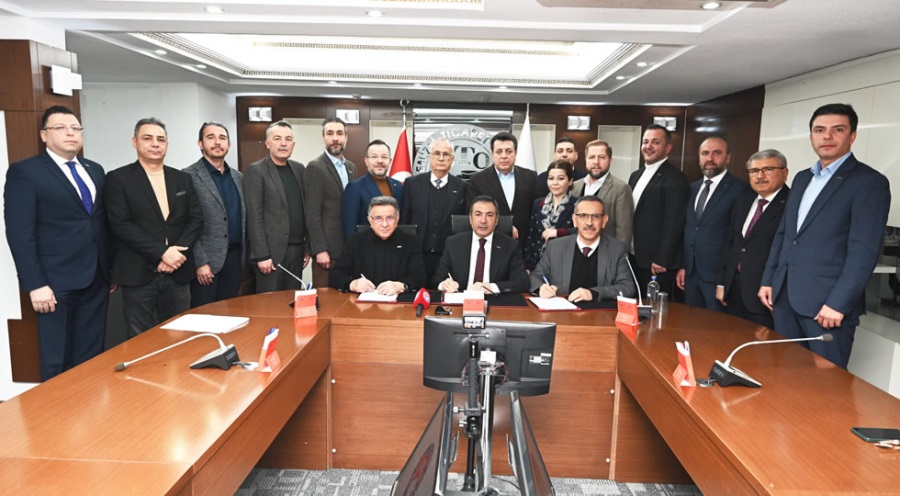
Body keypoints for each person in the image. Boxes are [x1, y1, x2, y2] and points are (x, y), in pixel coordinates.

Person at [760, 104, 891, 368]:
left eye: (837, 129)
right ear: (811, 137)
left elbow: (864, 251)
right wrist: (769, 280)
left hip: (826, 308)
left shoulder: (869, 182)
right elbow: (785, 235)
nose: (827, 136)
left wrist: (838, 303)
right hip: (784, 299)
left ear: (852, 135)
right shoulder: (801, 179)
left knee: (826, 384)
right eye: (819, 130)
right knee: (786, 374)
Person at [4, 105, 113, 380]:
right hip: (54, 284)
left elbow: (101, 223)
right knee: (57, 359)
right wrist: (35, 284)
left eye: (76, 128)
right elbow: (20, 233)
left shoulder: (95, 170)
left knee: (91, 356)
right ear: (44, 135)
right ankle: (56, 409)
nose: (70, 133)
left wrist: (110, 269)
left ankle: (88, 405)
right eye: (61, 128)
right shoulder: (26, 172)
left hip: (96, 277)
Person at [105, 117, 203, 337]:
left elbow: (196, 220)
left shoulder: (182, 179)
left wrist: (175, 254)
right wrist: (162, 253)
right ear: (135, 142)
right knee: (141, 337)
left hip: (178, 271)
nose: (155, 144)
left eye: (160, 139)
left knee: (180, 334)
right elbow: (120, 225)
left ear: (167, 144)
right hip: (139, 273)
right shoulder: (118, 178)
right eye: (147, 138)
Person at [716, 149, 790, 329]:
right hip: (734, 290)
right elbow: (730, 243)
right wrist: (722, 282)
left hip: (765, 294)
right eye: (754, 171)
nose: (760, 176)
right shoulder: (743, 198)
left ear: (785, 173)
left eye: (768, 169)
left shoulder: (792, 204)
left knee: (762, 344)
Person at [676, 136, 750, 311]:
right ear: (699, 158)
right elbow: (689, 229)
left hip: (718, 277)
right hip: (691, 275)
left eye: (717, 153)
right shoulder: (692, 188)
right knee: (691, 321)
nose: (710, 158)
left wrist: (725, 279)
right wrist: (683, 266)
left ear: (728, 158)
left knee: (717, 325)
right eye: (705, 153)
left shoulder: (740, 190)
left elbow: (737, 239)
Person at [183, 122, 245, 307]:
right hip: (206, 264)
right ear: (200, 144)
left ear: (229, 144)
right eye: (211, 137)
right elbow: (186, 224)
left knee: (231, 313)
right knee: (204, 316)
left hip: (235, 260)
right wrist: (200, 262)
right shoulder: (187, 176)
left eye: (222, 138)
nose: (217, 142)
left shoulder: (238, 177)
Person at [243, 120, 310, 293]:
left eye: (288, 139)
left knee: (292, 300)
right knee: (270, 303)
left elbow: (303, 209)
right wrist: (262, 255)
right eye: (277, 138)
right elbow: (254, 216)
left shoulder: (299, 169)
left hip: (297, 251)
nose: (283, 143)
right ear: (267, 143)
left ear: (293, 144)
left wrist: (307, 248)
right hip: (271, 254)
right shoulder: (256, 171)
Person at [529, 196, 635, 302]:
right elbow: (535, 276)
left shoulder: (617, 249)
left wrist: (593, 293)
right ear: (574, 220)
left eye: (596, 216)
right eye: (583, 216)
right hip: (562, 310)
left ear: (604, 221)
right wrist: (541, 288)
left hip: (599, 311)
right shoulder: (555, 247)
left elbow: (627, 287)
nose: (589, 223)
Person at [628, 124, 689, 295]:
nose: (648, 146)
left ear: (668, 148)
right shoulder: (635, 175)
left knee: (653, 307)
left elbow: (674, 222)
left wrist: (662, 259)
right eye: (645, 141)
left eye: (655, 142)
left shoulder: (675, 178)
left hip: (655, 264)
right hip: (633, 258)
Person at [400, 139, 467, 283]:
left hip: (448, 257)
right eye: (437, 153)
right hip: (417, 254)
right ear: (430, 157)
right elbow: (405, 220)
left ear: (452, 159)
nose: (441, 158)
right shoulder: (412, 184)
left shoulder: (462, 187)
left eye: (446, 154)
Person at [433, 195, 529, 294]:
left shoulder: (510, 245)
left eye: (489, 215)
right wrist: (444, 284)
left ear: (496, 220)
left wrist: (492, 287)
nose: (483, 221)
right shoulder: (453, 243)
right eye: (478, 214)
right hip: (461, 299)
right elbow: (437, 279)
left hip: (494, 300)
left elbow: (522, 282)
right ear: (470, 218)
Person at [330, 196, 425, 295]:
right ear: (370, 220)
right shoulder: (355, 242)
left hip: (399, 300)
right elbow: (336, 275)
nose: (384, 224)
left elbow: (420, 276)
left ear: (397, 219)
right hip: (362, 302)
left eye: (390, 218)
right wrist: (352, 284)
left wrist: (401, 286)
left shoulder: (411, 242)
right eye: (378, 218)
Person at [305, 117, 357, 288]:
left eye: (339, 133)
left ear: (346, 138)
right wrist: (319, 249)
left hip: (347, 249)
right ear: (324, 138)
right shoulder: (315, 167)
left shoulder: (351, 167)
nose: (335, 138)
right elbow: (312, 213)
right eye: (330, 133)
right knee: (325, 297)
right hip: (327, 252)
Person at [466, 131, 539, 251]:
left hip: (524, 245)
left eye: (509, 151)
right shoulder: (478, 180)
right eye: (499, 151)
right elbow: (473, 213)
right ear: (492, 154)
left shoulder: (530, 177)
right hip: (491, 244)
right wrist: (505, 225)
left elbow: (536, 212)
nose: (504, 156)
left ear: (516, 153)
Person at [571, 139, 634, 246]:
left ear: (610, 160)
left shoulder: (621, 189)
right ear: (586, 159)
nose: (596, 162)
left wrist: (618, 254)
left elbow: (624, 232)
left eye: (602, 157)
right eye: (591, 157)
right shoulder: (575, 186)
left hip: (606, 251)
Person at [341, 139, 403, 238]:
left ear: (390, 161)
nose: (380, 161)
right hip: (366, 245)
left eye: (384, 157)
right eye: (374, 157)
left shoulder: (398, 186)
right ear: (366, 161)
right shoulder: (354, 188)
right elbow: (350, 228)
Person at [523, 160, 575, 272]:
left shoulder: (577, 204)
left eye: (560, 178)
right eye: (551, 178)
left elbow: (581, 232)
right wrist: (527, 266)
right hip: (539, 263)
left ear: (570, 181)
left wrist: (557, 232)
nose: (555, 183)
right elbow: (531, 236)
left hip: (565, 264)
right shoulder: (538, 204)